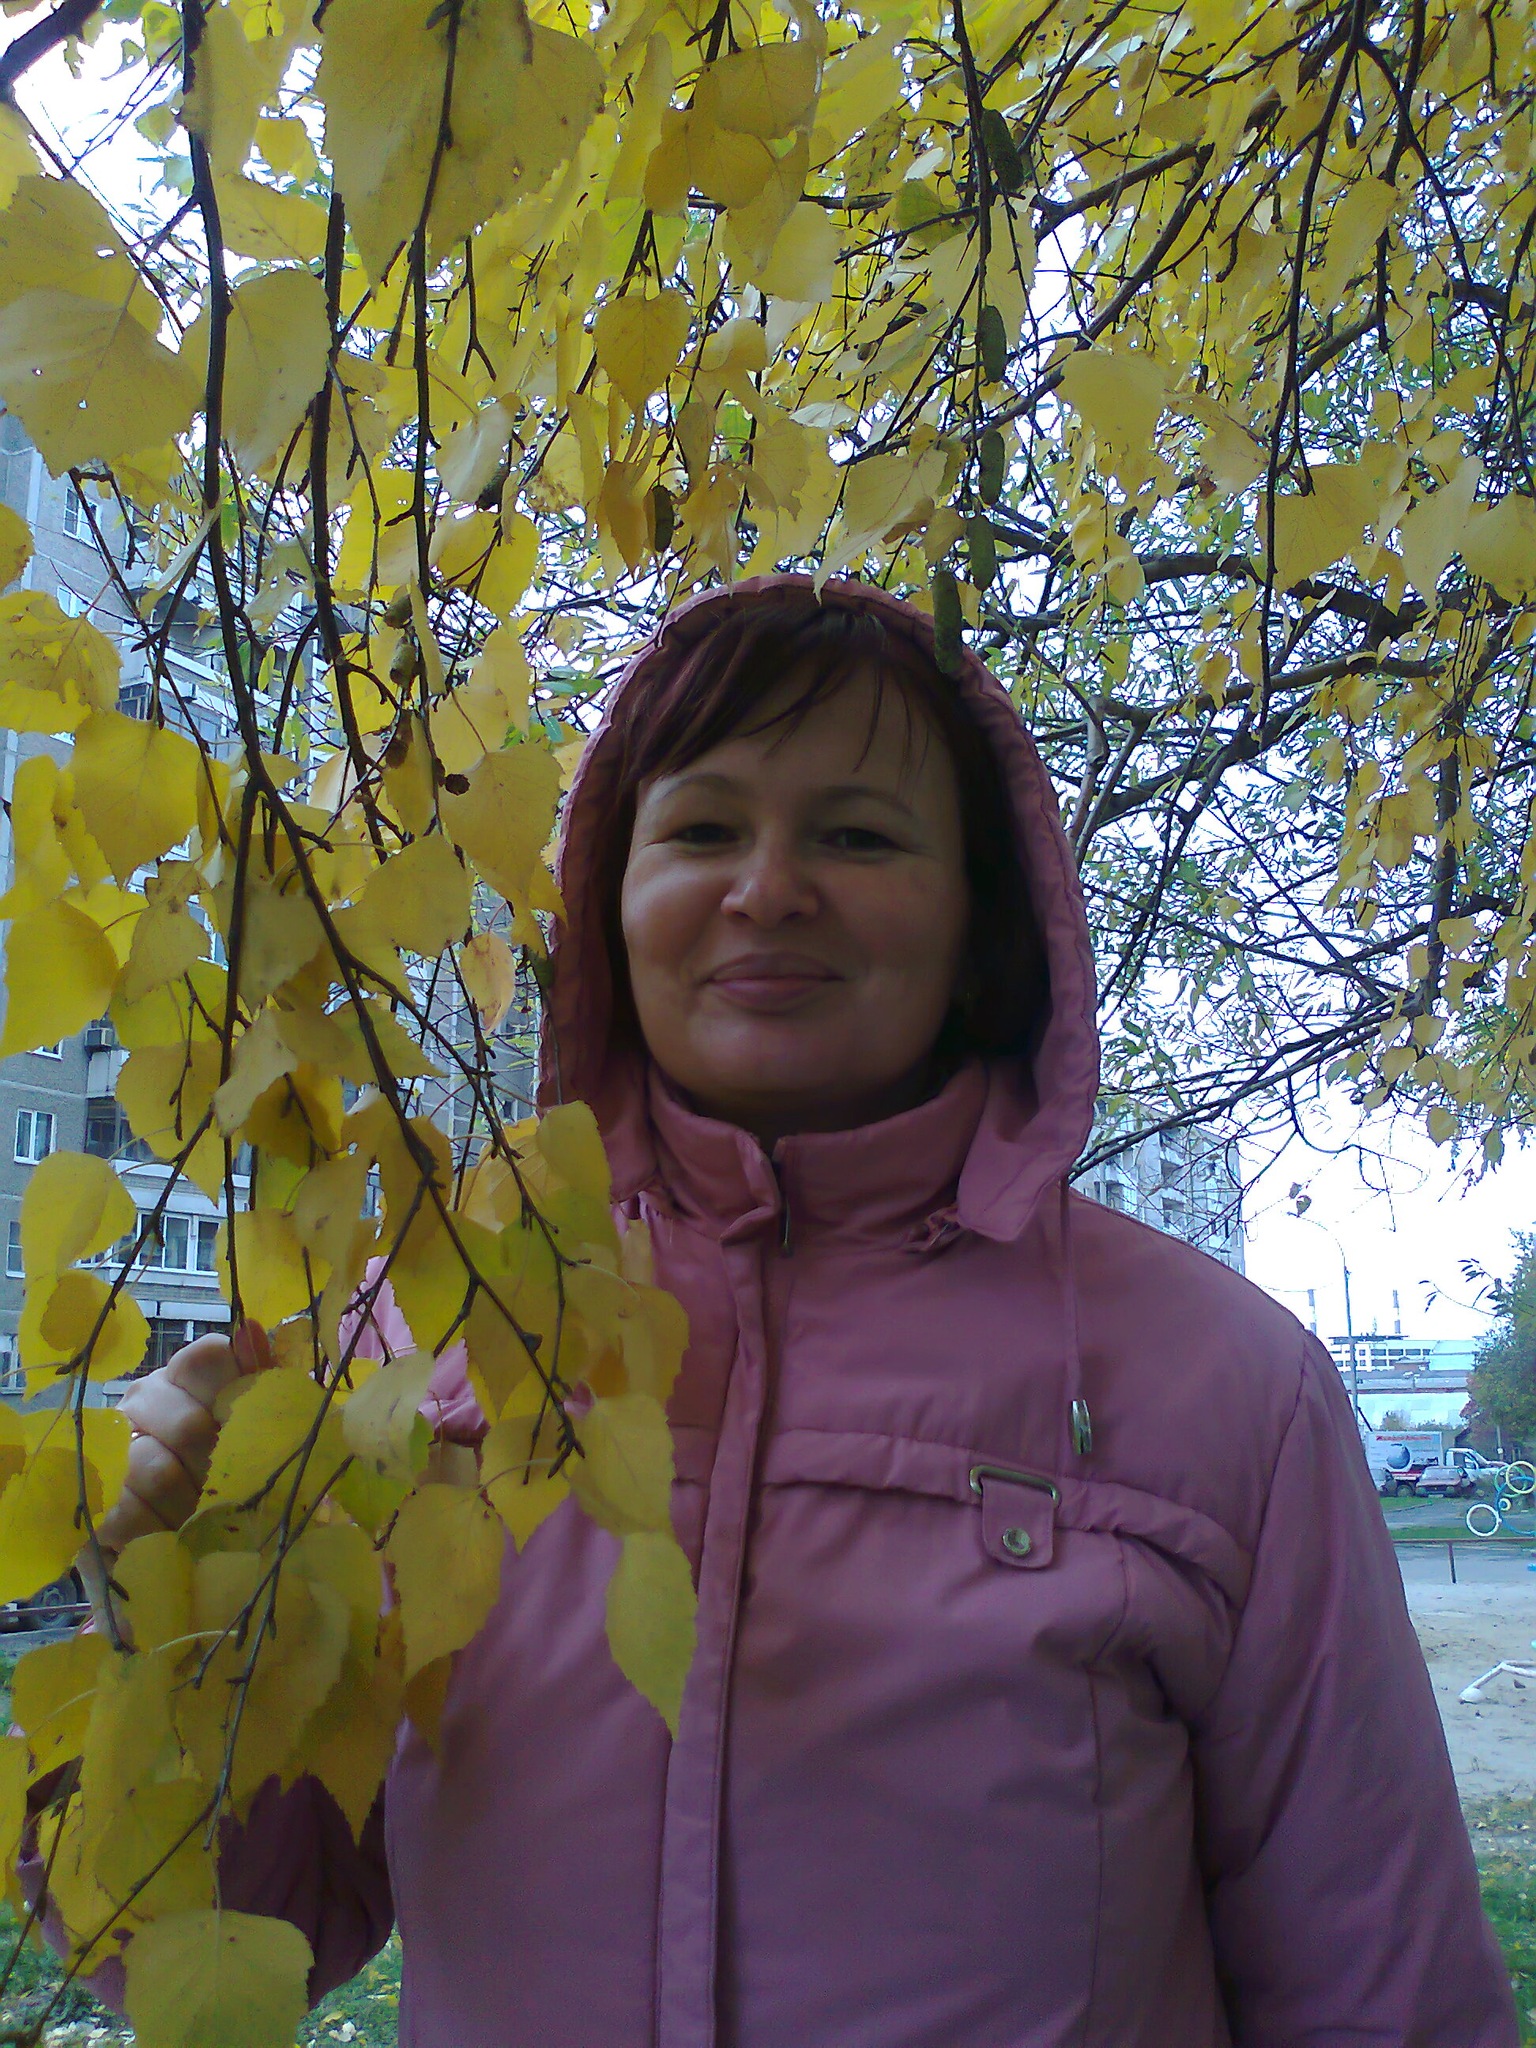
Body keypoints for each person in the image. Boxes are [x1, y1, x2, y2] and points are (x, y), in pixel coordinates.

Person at [63, 577, 1514, 2045]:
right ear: (608, 902)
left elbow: (1380, 1985)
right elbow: (225, 1937)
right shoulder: (432, 1333)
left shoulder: (1217, 1381)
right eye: (701, 830)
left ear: (979, 915)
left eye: (858, 836)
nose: (766, 890)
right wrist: (163, 1611)